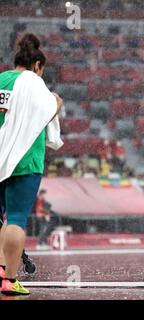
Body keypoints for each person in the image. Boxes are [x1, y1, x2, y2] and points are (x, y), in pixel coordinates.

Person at [0, 33, 63, 296]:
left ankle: (2, 269)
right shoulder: (36, 84)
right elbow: (49, 110)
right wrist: (57, 102)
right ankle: (10, 280)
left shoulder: (2, 80)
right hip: (25, 161)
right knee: (15, 219)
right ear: (37, 65)